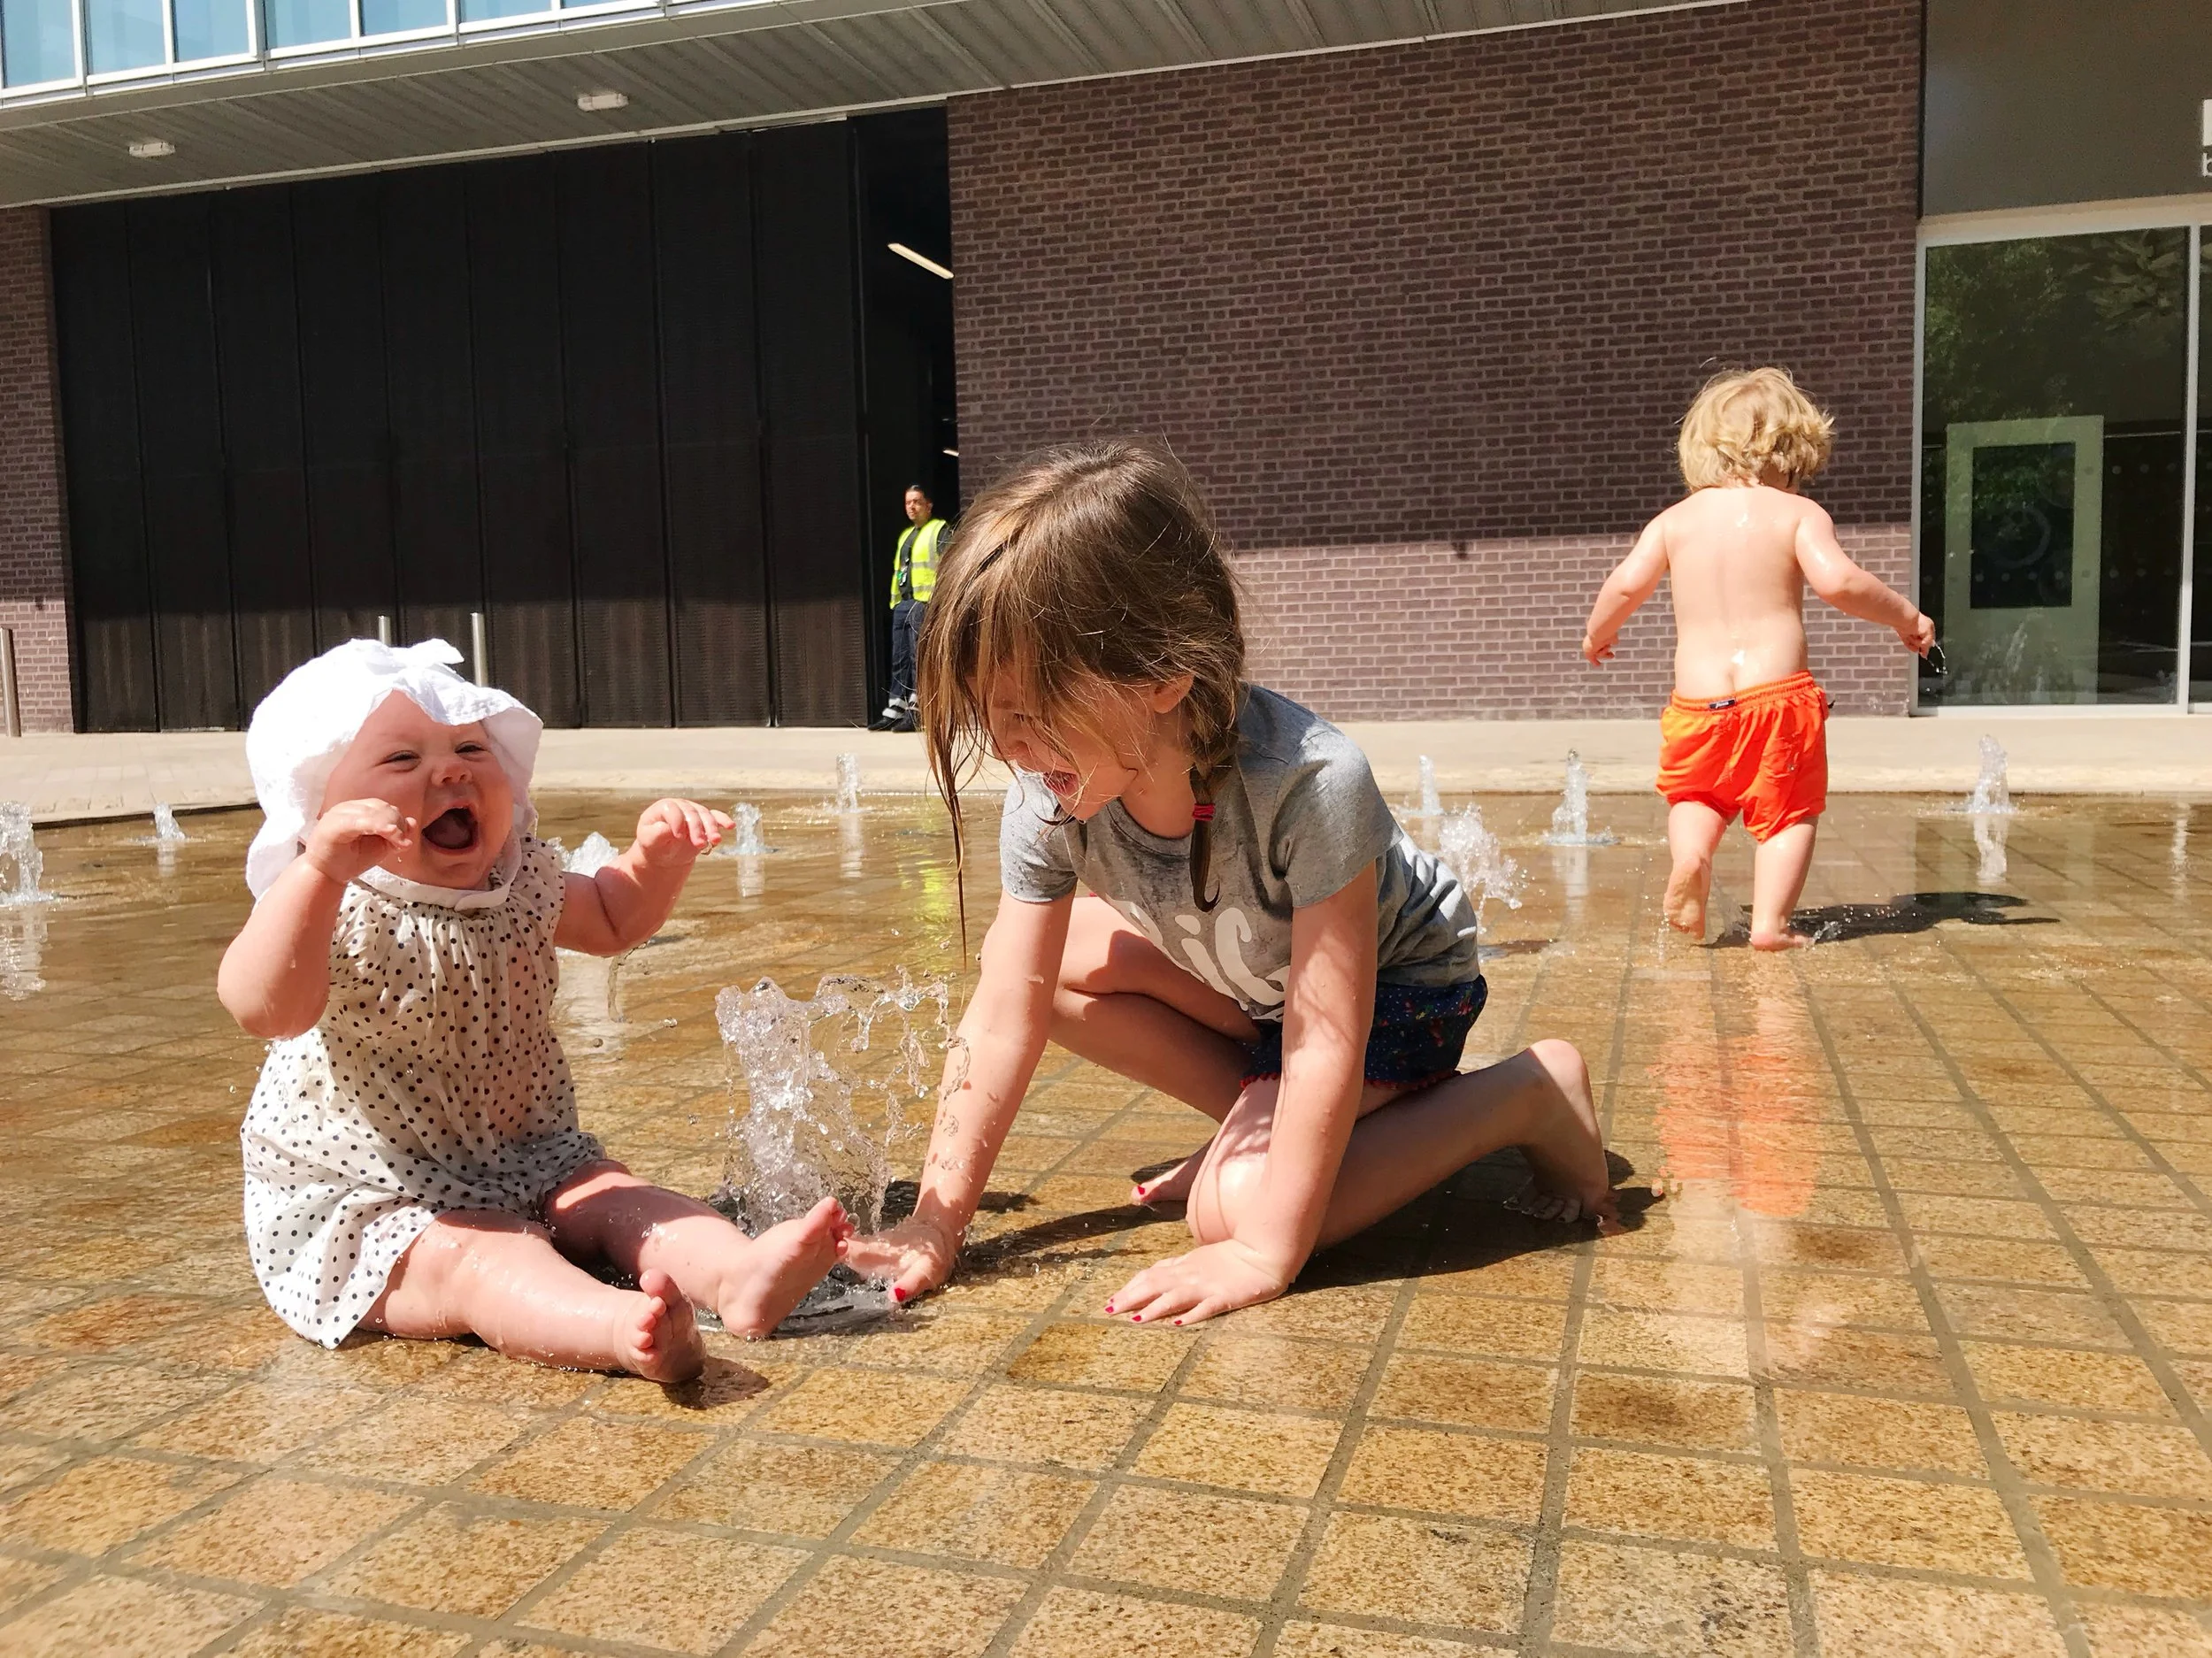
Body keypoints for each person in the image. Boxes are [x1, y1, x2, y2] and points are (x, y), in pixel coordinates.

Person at [846, 440, 1617, 1325]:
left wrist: (1263, 1250)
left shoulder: (1308, 782)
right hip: (1265, 994)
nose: (1008, 745)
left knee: (1233, 1209)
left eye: (1031, 710)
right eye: (989, 713)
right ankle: (1269, 1120)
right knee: (1025, 969)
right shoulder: (1050, 793)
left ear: (1162, 674)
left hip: (1398, 995)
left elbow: (1327, 1037)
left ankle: (1524, 1093)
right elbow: (1000, 1016)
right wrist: (936, 1221)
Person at [219, 638, 850, 1379]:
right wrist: (321, 871)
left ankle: (737, 1276)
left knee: (618, 1197)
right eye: (402, 759)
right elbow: (264, 1008)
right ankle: (621, 1329)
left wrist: (655, 862)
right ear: (321, 807)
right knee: (481, 1260)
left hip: (529, 1154)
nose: (450, 770)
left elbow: (610, 918)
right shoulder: (337, 908)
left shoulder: (517, 884)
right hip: (379, 1198)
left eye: (470, 747)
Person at [1579, 367, 1934, 949]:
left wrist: (1598, 634)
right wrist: (1907, 617)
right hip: (1777, 697)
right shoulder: (1797, 514)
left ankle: (1692, 858)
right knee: (1789, 812)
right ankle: (1771, 924)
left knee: (1696, 796)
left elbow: (1624, 585)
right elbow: (1840, 582)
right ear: (1793, 449)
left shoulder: (1674, 521)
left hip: (1698, 703)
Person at [873, 483, 947, 733]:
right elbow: (900, 572)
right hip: (903, 604)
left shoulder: (938, 530)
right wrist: (895, 602)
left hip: (924, 602)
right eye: (908, 503)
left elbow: (947, 563)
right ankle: (896, 708)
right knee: (900, 658)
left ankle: (918, 711)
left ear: (929, 505)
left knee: (918, 657)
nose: (911, 507)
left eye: (916, 502)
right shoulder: (905, 536)